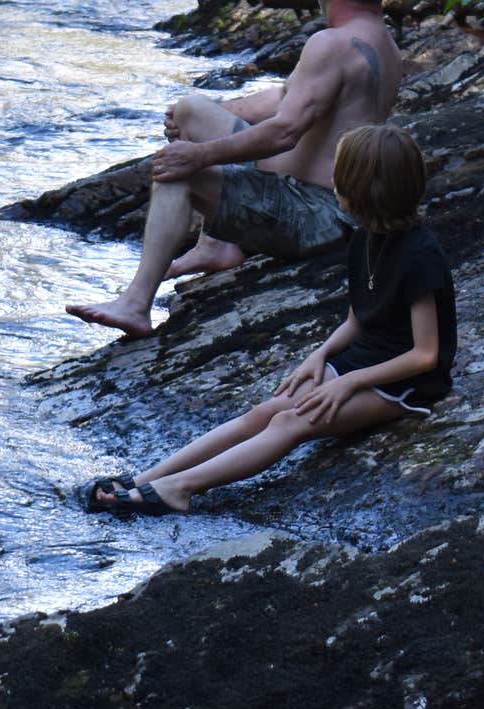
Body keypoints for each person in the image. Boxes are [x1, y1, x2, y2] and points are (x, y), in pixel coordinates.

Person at [84, 124, 455, 516]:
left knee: (290, 423)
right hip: (363, 363)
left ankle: (180, 488)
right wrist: (320, 355)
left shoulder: (420, 254)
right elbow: (357, 320)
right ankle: (145, 479)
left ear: (361, 190)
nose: (332, 179)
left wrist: (347, 383)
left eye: (340, 173)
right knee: (265, 411)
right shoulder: (366, 238)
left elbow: (425, 355)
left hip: (405, 387)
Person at [65, 0, 402, 339]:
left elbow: (284, 132)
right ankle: (216, 246)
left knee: (178, 172)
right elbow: (285, 97)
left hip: (318, 215)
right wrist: (209, 114)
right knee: (193, 110)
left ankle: (136, 304)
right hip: (322, 202)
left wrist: (199, 156)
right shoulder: (381, 43)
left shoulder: (332, 44)